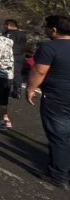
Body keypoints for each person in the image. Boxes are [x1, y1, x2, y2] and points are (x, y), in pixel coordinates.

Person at [27, 15, 70, 189]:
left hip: (57, 96)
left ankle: (58, 175)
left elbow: (40, 71)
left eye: (47, 27)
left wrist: (31, 88)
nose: (45, 30)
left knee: (59, 135)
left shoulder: (49, 47)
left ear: (53, 30)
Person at [5, 19, 28, 99]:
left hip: (15, 56)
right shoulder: (21, 33)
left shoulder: (15, 34)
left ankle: (16, 91)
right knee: (15, 73)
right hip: (18, 56)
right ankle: (15, 90)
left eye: (5, 25)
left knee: (15, 73)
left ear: (9, 25)